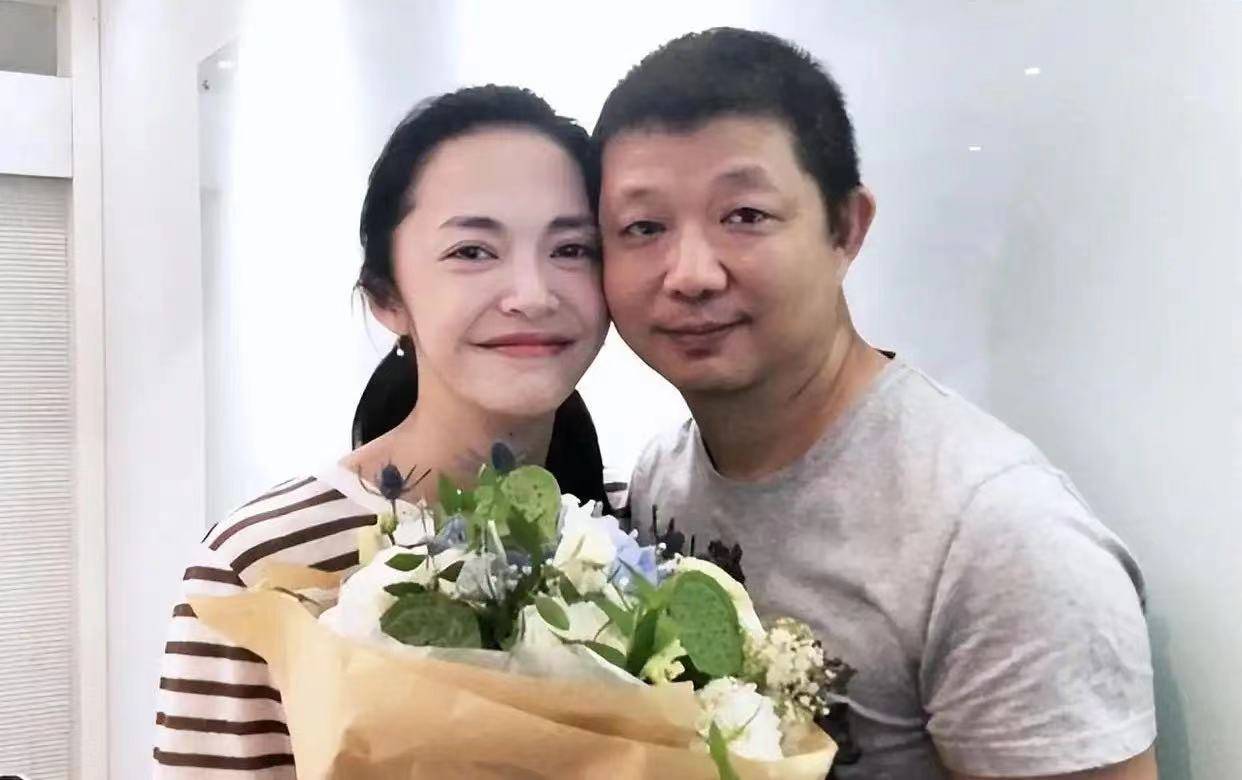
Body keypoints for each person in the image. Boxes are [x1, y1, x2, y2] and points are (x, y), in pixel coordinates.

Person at [598, 28, 1157, 780]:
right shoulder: (662, 476)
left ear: (846, 229)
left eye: (745, 215)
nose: (691, 273)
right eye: (643, 228)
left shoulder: (996, 540)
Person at [153, 85, 611, 776]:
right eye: (473, 251)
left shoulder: (631, 535)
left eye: (572, 248)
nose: (533, 293)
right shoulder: (259, 566)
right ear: (387, 297)